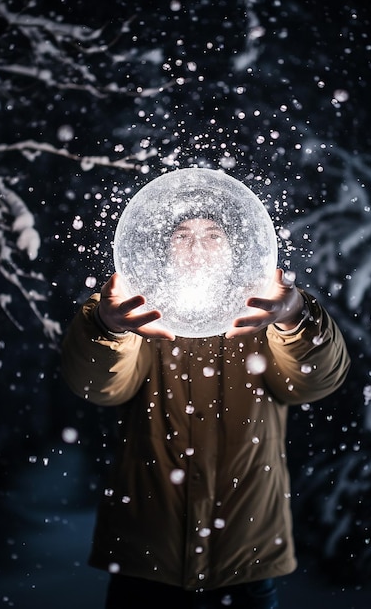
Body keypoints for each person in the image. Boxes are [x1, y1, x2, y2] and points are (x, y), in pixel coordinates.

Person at [61, 214, 350, 609]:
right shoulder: (134, 308)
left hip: (245, 560)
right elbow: (97, 385)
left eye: (213, 235)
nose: (197, 247)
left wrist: (295, 316)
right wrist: (106, 327)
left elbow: (318, 380)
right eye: (183, 235)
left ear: (236, 250)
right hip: (147, 564)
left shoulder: (265, 310)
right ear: (164, 247)